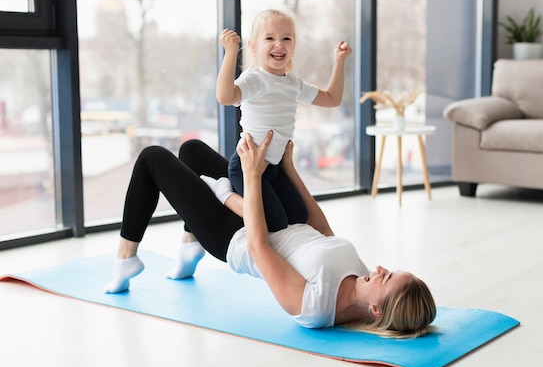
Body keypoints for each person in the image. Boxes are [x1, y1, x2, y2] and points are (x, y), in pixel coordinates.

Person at [103, 131, 436, 337]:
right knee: (192, 151)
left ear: (376, 310)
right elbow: (320, 228)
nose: (379, 268)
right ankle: (190, 245)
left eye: (386, 276)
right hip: (279, 217)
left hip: (236, 234)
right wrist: (290, 169)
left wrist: (250, 178)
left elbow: (260, 247)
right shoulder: (363, 280)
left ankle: (125, 259)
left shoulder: (316, 309)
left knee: (152, 159)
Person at [214, 8, 352, 233]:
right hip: (247, 167)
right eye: (269, 38)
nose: (279, 44)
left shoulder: (293, 83)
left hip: (275, 167)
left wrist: (339, 61)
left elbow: (332, 99)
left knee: (299, 216)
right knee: (273, 222)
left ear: (293, 47)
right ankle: (222, 193)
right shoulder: (255, 79)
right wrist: (230, 53)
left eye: (286, 38)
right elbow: (225, 96)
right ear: (253, 47)